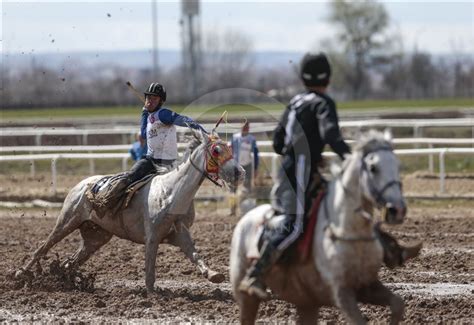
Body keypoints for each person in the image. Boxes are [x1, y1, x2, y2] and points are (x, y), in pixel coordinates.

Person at [239, 52, 419, 300]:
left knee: (340, 210)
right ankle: (256, 274)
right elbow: (331, 134)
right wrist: (349, 157)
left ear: (302, 77)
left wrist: (309, 154)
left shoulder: (294, 102)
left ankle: (393, 252)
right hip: (300, 170)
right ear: (329, 78)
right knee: (296, 223)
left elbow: (279, 142)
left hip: (295, 168)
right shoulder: (323, 102)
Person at [231, 120, 259, 194]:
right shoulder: (235, 137)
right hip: (236, 164)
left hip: (248, 164)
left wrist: (256, 168)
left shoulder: (252, 139)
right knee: (234, 182)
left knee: (247, 184)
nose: (245, 128)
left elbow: (256, 153)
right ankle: (233, 199)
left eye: (247, 126)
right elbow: (231, 150)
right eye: (244, 126)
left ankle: (246, 200)